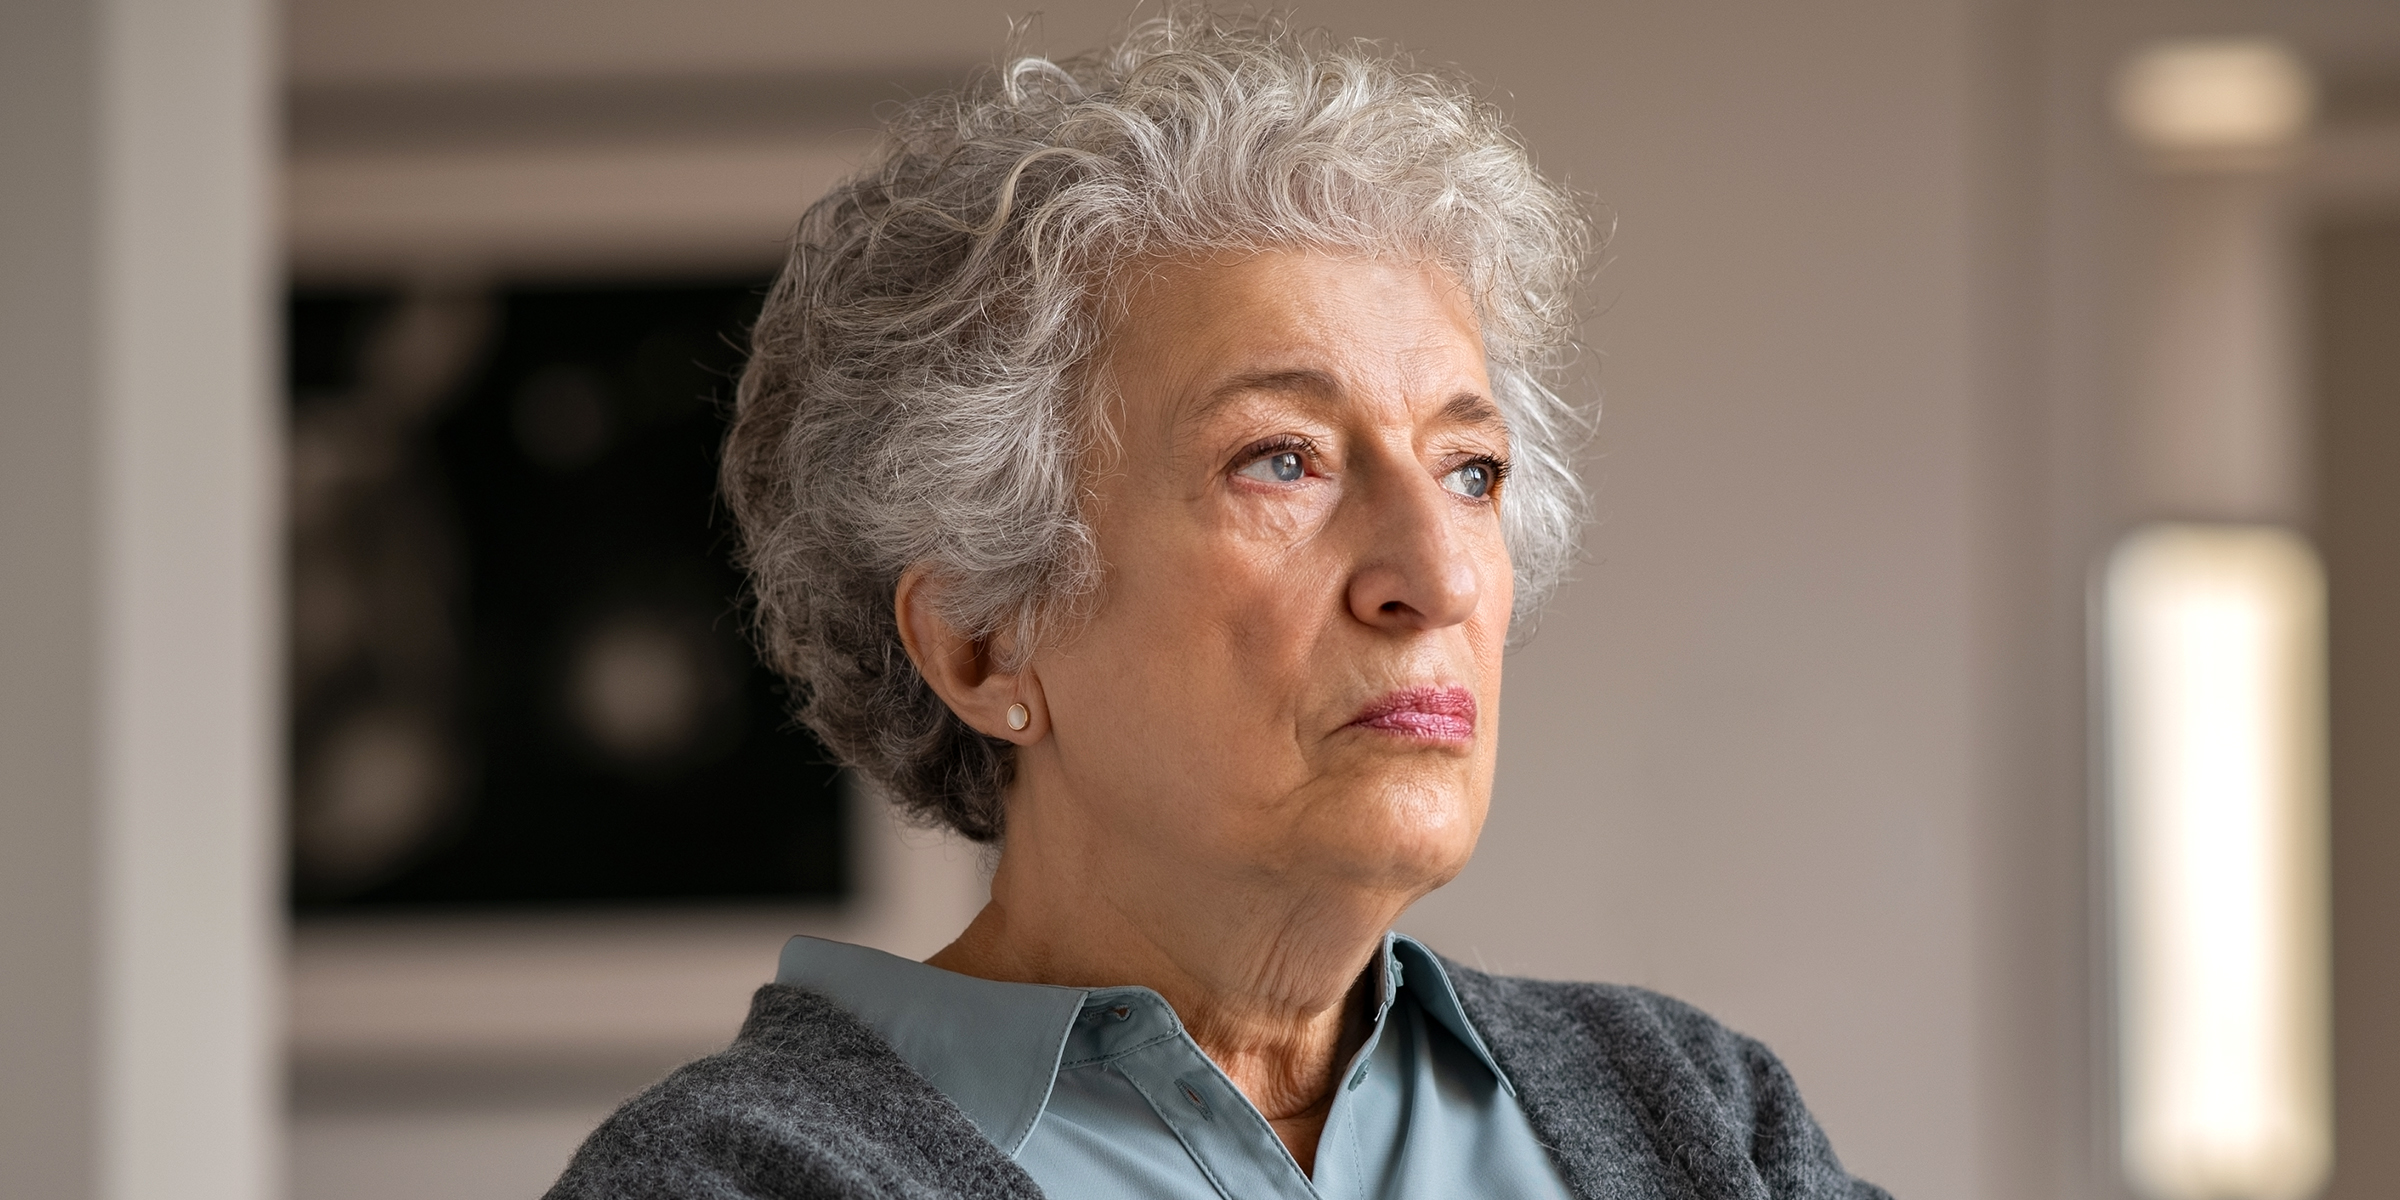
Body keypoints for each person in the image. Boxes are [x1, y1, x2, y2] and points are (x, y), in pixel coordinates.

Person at [548, 13, 1889, 1200]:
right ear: (981, 635)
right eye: (1281, 460)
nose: (1438, 575)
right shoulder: (741, 1181)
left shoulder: (1692, 1115)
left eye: (1469, 470)